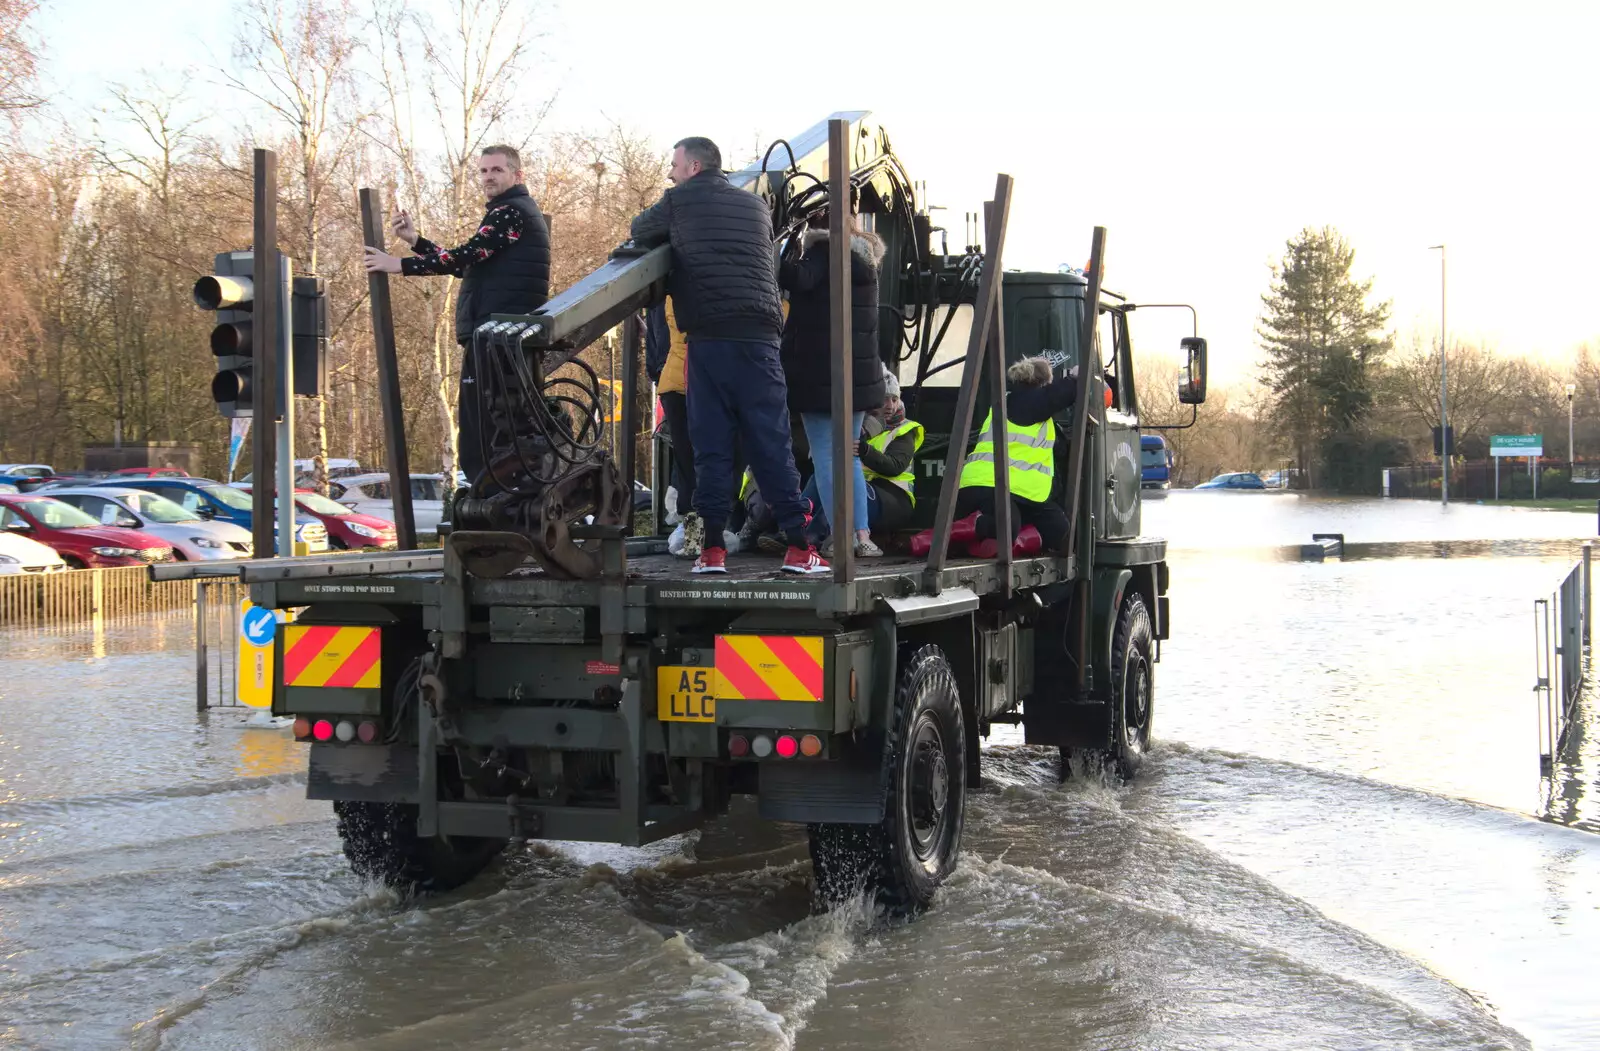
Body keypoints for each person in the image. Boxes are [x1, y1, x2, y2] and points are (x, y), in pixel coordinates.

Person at [629, 136, 824, 575]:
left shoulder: (679, 201)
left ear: (694, 167)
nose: (670, 173)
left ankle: (711, 551)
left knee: (712, 450)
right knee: (771, 445)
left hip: (708, 342)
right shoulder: (756, 209)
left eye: (674, 164)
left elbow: (641, 230)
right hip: (759, 342)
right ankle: (799, 547)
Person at [364, 145, 552, 489]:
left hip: (498, 335)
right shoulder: (511, 214)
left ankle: (494, 495)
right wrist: (416, 241)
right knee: (491, 423)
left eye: (496, 170)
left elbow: (463, 257)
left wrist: (399, 265)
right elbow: (469, 263)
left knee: (483, 427)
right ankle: (498, 492)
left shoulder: (510, 213)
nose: (488, 177)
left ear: (517, 174)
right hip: (500, 334)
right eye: (482, 171)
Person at [778, 210, 886, 557]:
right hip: (858, 378)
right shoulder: (864, 260)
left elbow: (797, 279)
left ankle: (841, 534)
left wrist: (783, 248)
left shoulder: (824, 252)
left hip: (819, 375)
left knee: (826, 457)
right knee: (849, 456)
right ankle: (862, 534)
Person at [911, 356, 1079, 558]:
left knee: (1058, 528)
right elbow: (1058, 396)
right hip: (987, 483)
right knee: (1007, 524)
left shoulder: (1031, 407)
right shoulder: (1022, 401)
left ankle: (987, 546)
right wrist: (1076, 377)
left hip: (1019, 490)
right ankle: (935, 537)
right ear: (1042, 383)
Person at [802, 370, 923, 543]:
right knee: (822, 477)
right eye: (884, 399)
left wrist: (864, 451)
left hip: (894, 498)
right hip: (864, 487)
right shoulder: (860, 427)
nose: (889, 405)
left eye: (894, 399)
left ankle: (808, 538)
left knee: (846, 489)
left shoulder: (905, 430)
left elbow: (895, 466)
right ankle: (794, 526)